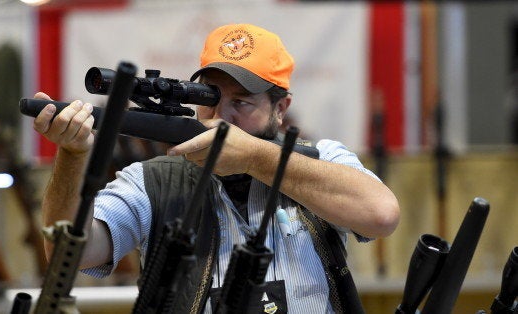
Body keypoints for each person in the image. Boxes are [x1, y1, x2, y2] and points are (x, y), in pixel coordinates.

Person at [32, 23, 400, 313]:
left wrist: (254, 157)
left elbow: (381, 215)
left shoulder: (320, 159)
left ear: (281, 108)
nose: (222, 116)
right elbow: (70, 253)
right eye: (210, 97)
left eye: (241, 102)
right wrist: (73, 156)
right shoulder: (151, 180)